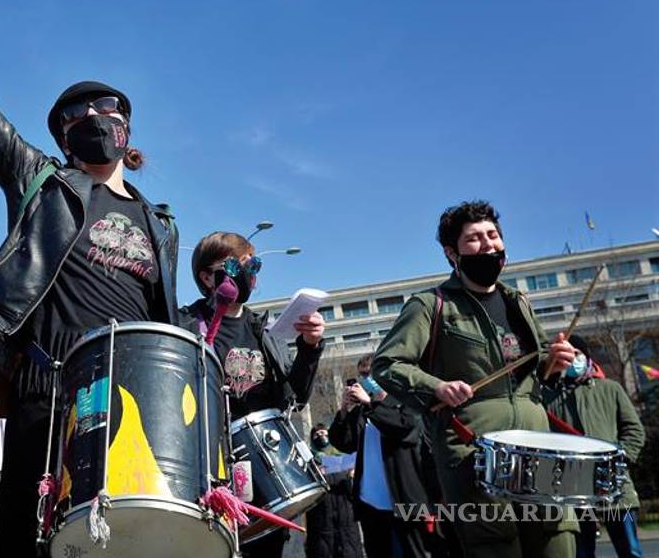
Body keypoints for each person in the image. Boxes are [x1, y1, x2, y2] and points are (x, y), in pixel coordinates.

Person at [0, 0, 179, 557]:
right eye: (75, 114)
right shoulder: (40, 182)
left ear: (127, 128)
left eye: (106, 109)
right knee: (38, 538)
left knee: (131, 542)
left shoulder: (161, 223)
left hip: (139, 393)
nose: (92, 117)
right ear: (62, 137)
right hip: (53, 388)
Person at [371, 200, 578, 558]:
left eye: (493, 235)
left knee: (557, 539)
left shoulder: (519, 302)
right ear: (452, 253)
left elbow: (536, 364)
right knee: (496, 546)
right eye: (475, 238)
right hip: (474, 454)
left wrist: (553, 363)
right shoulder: (430, 304)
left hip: (539, 445)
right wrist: (435, 386)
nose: (488, 244)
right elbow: (387, 364)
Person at [179, 231, 326, 558]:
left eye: (253, 265)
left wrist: (310, 348)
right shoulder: (185, 323)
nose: (247, 273)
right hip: (208, 467)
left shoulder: (265, 330)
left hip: (266, 473)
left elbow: (296, 398)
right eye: (235, 265)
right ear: (206, 276)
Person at [542, 336, 646, 558]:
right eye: (569, 354)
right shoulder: (548, 397)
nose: (574, 359)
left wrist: (619, 459)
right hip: (572, 490)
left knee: (630, 551)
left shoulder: (611, 389)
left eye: (577, 353)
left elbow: (634, 430)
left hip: (615, 486)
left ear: (587, 357)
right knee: (581, 552)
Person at [329, 354, 438, 558]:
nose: (366, 379)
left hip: (405, 502)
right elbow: (343, 443)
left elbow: (405, 429)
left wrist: (371, 404)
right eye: (362, 374)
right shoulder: (363, 411)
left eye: (370, 373)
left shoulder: (405, 401)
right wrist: (344, 410)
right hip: (370, 504)